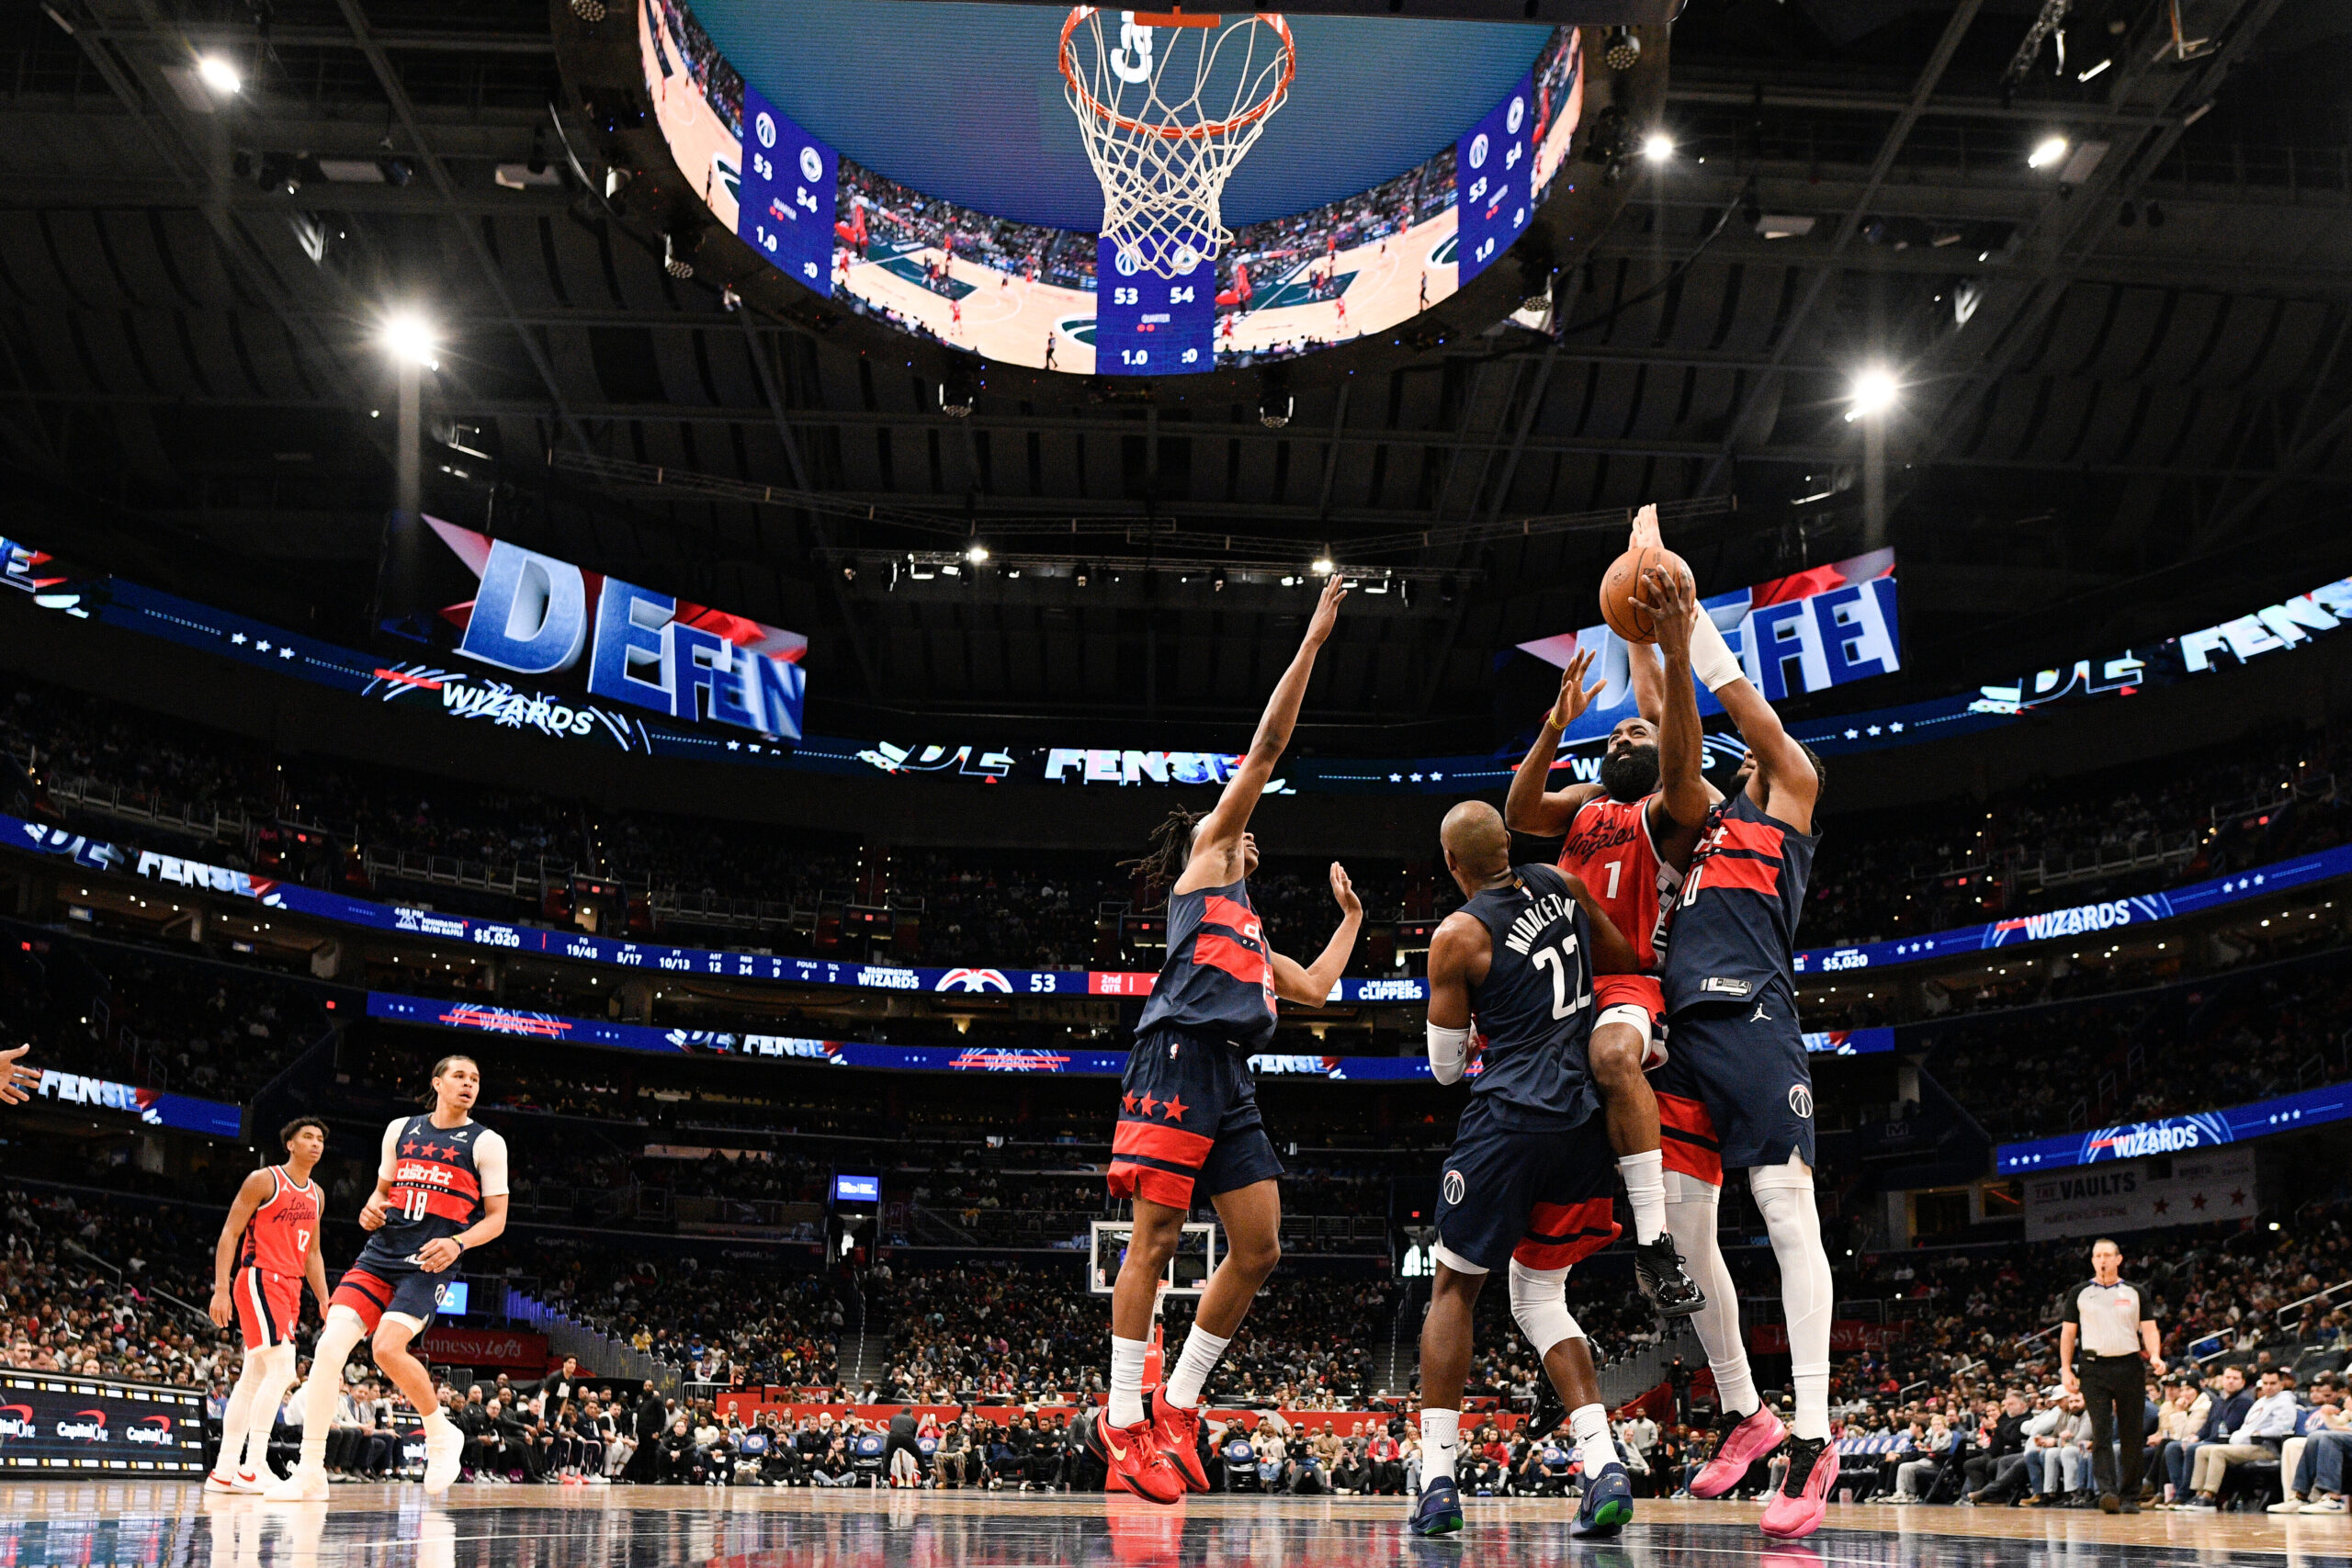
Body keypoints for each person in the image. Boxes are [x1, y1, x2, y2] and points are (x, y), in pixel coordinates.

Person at [1085, 575, 1363, 1505]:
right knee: (1154, 1241)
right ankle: (1121, 1417)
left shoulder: (1246, 930)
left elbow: (1318, 988)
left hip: (1230, 1078)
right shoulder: (1206, 858)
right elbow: (1269, 743)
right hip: (1175, 1057)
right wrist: (1315, 639)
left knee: (1259, 1246)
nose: (1254, 836)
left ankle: (1181, 1403)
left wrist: (1353, 918)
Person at [1643, 566, 1841, 1539]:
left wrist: (1687, 626)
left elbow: (1734, 701)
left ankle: (1814, 1436)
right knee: (1683, 1232)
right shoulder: (1709, 819)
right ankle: (1745, 1411)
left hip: (1756, 1027)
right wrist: (1646, 625)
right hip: (1682, 1041)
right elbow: (1663, 707)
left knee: (1784, 1215)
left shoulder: (1792, 793)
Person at [1408, 799, 1640, 1541]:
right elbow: (1620, 954)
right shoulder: (1558, 881)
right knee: (1540, 1293)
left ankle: (1438, 1482)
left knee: (1454, 1289)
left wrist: (1484, 1024)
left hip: (1509, 1120)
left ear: (1452, 866)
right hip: (1580, 1122)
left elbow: (1446, 1071)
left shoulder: (1457, 935)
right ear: (1508, 845)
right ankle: (1603, 1461)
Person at [1504, 507, 1711, 1319]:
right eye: (1616, 728)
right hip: (1554, 993)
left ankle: (1654, 1244)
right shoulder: (1586, 805)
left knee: (1618, 1056)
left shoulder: (1667, 811)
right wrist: (1557, 724)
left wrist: (1665, 644)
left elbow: (1671, 730)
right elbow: (1521, 807)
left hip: (1626, 980)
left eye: (1638, 728)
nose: (1626, 730)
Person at [266, 1055, 510, 1499]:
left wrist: (458, 1243)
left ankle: (440, 1434)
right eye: (459, 1076)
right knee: (327, 1350)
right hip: (381, 1253)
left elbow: (497, 1220)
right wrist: (370, 1207)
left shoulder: (486, 1143)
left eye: (475, 1078)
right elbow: (382, 1191)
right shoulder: (400, 1129)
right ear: (437, 1082)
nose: (468, 1084)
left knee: (385, 1349)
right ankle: (310, 1470)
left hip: (430, 1260)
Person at [206, 1116, 330, 1494]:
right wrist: (221, 1288)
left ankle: (224, 1471)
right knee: (282, 1369)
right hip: (260, 1277)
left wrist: (325, 1299)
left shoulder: (316, 1194)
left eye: (320, 1139)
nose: (315, 1143)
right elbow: (230, 1232)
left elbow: (313, 1254)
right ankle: (253, 1466)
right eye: (307, 1137)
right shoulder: (265, 1180)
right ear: (289, 1143)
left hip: (289, 1286)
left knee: (253, 1379)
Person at [2058, 1236, 2165, 1512]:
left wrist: (2154, 1355)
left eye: (2107, 1255)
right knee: (2101, 1431)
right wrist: (2066, 1368)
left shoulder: (2135, 1291)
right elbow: (2068, 1333)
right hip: (2093, 1368)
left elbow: (2149, 1328)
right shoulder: (2079, 1292)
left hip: (2129, 1365)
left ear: (2119, 1259)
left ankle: (2130, 1495)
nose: (2102, 1260)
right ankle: (2108, 1492)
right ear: (2092, 1260)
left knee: (2131, 1433)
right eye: (2097, 1256)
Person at [2184, 1368, 2299, 1508]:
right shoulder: (2261, 1401)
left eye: (2273, 1383)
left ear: (2281, 1384)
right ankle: (2198, 1495)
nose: (2268, 1387)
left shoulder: (2284, 1401)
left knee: (2218, 1452)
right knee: (2202, 1451)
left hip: (2265, 1448)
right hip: (2247, 1445)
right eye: (2265, 1383)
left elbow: (2283, 1428)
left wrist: (2259, 1433)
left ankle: (2209, 1497)